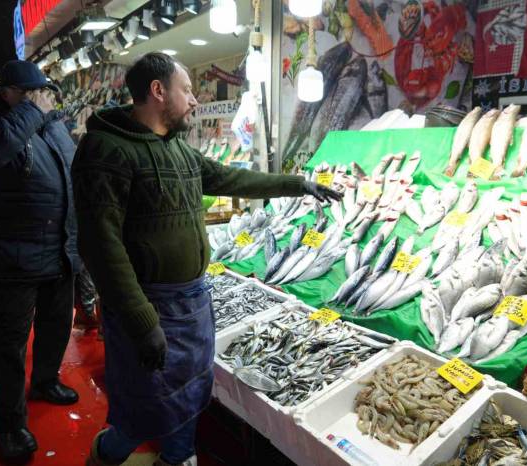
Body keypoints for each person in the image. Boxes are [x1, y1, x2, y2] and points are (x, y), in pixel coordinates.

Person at [73, 52, 340, 466]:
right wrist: (141, 320)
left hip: (192, 303)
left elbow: (230, 177)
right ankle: (105, 455)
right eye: (187, 90)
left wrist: (298, 184)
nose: (195, 99)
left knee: (190, 395)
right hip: (150, 307)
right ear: (158, 92)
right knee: (144, 407)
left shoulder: (177, 148)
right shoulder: (106, 150)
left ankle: (179, 458)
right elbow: (100, 244)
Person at [0, 60, 81, 461]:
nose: (38, 100)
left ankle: (46, 380)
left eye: (39, 94)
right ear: (7, 92)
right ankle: (11, 425)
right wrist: (33, 111)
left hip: (59, 244)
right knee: (11, 343)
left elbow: (70, 168)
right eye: (29, 94)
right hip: (15, 251)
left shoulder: (46, 119)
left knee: (55, 323)